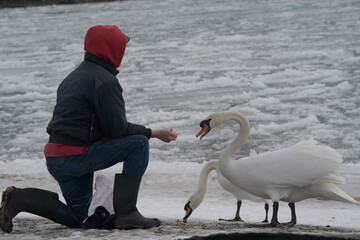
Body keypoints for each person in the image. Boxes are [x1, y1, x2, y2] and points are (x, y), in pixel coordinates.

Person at [0, 25, 178, 233]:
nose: (123, 51)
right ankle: (127, 214)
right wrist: (152, 133)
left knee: (81, 219)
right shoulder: (102, 80)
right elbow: (117, 130)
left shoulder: (72, 77)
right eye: (121, 46)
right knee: (138, 145)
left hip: (57, 158)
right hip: (75, 158)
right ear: (110, 48)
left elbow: (92, 125)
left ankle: (20, 198)